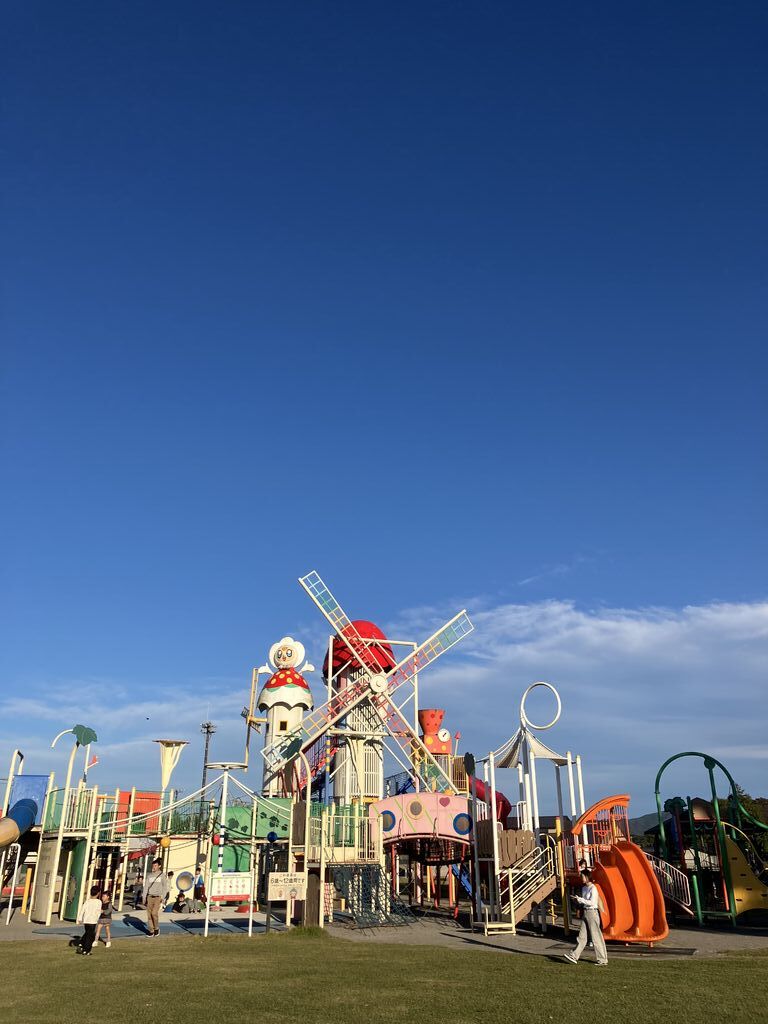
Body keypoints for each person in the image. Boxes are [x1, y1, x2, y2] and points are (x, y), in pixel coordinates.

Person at [564, 869, 608, 967]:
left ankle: (602, 959)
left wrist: (581, 900)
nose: (581, 878)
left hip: (592, 913)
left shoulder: (593, 888)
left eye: (583, 876)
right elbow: (584, 901)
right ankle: (574, 956)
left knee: (596, 937)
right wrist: (578, 899)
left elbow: (592, 902)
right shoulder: (584, 888)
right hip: (586, 912)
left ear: (588, 877)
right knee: (582, 937)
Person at [143, 858, 169, 936]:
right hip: (149, 897)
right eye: (153, 865)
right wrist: (144, 897)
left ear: (159, 866)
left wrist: (163, 897)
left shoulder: (162, 875)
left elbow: (165, 887)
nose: (154, 867)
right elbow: (146, 887)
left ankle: (156, 928)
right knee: (149, 915)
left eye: (155, 865)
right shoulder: (149, 876)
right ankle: (151, 930)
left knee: (154, 913)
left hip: (158, 897)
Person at [75, 885, 102, 956]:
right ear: (98, 893)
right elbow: (98, 912)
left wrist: (80, 918)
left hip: (86, 920)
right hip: (93, 921)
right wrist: (98, 918)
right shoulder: (99, 902)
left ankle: (81, 944)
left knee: (87, 933)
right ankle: (86, 950)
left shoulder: (87, 901)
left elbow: (82, 910)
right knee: (90, 936)